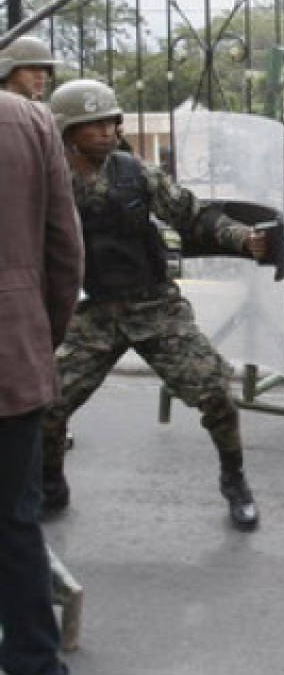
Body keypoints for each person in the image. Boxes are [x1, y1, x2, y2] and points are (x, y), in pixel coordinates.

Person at [40, 79, 266, 531]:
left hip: (154, 306)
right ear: (67, 132)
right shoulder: (48, 182)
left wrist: (243, 237)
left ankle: (235, 480)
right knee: (46, 405)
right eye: (93, 124)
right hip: (92, 314)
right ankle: (50, 483)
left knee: (216, 394)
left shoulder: (136, 173)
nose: (106, 131)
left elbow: (193, 214)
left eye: (111, 121)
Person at [0, 84, 83, 675]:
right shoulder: (28, 121)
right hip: (12, 356)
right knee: (15, 528)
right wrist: (38, 334)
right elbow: (65, 249)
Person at [0, 36, 58, 102]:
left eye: (45, 69)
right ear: (8, 72)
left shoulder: (39, 110)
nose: (41, 75)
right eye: (32, 68)